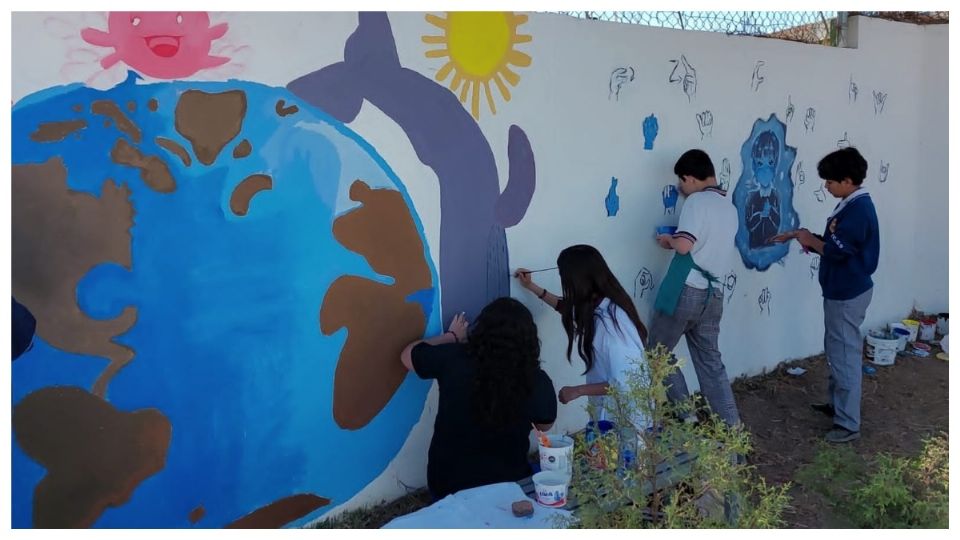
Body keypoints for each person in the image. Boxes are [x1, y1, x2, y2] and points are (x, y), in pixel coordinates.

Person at [771, 147, 878, 443]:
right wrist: (801, 235)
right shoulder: (849, 204)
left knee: (844, 354)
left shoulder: (859, 210)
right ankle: (837, 407)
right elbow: (833, 243)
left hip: (847, 292)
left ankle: (847, 424)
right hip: (840, 290)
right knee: (836, 349)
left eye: (830, 182)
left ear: (847, 180)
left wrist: (808, 240)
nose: (826, 186)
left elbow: (839, 252)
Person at [401, 297, 557, 499]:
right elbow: (544, 425)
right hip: (509, 480)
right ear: (529, 338)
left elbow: (407, 355)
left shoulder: (454, 358)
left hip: (448, 483)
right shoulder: (535, 379)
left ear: (481, 329)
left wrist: (451, 336)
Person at [648, 149, 741, 427]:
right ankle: (731, 426)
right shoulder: (729, 206)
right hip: (714, 294)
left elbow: (685, 245)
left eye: (681, 182)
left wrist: (668, 240)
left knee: (658, 350)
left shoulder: (697, 203)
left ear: (689, 178)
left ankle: (685, 414)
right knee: (710, 362)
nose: (681, 188)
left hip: (686, 290)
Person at [515, 244, 649, 429]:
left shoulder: (611, 325)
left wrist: (578, 391)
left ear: (577, 280)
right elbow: (568, 309)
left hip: (625, 421)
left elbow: (626, 381)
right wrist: (531, 287)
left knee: (617, 457)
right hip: (609, 414)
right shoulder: (599, 303)